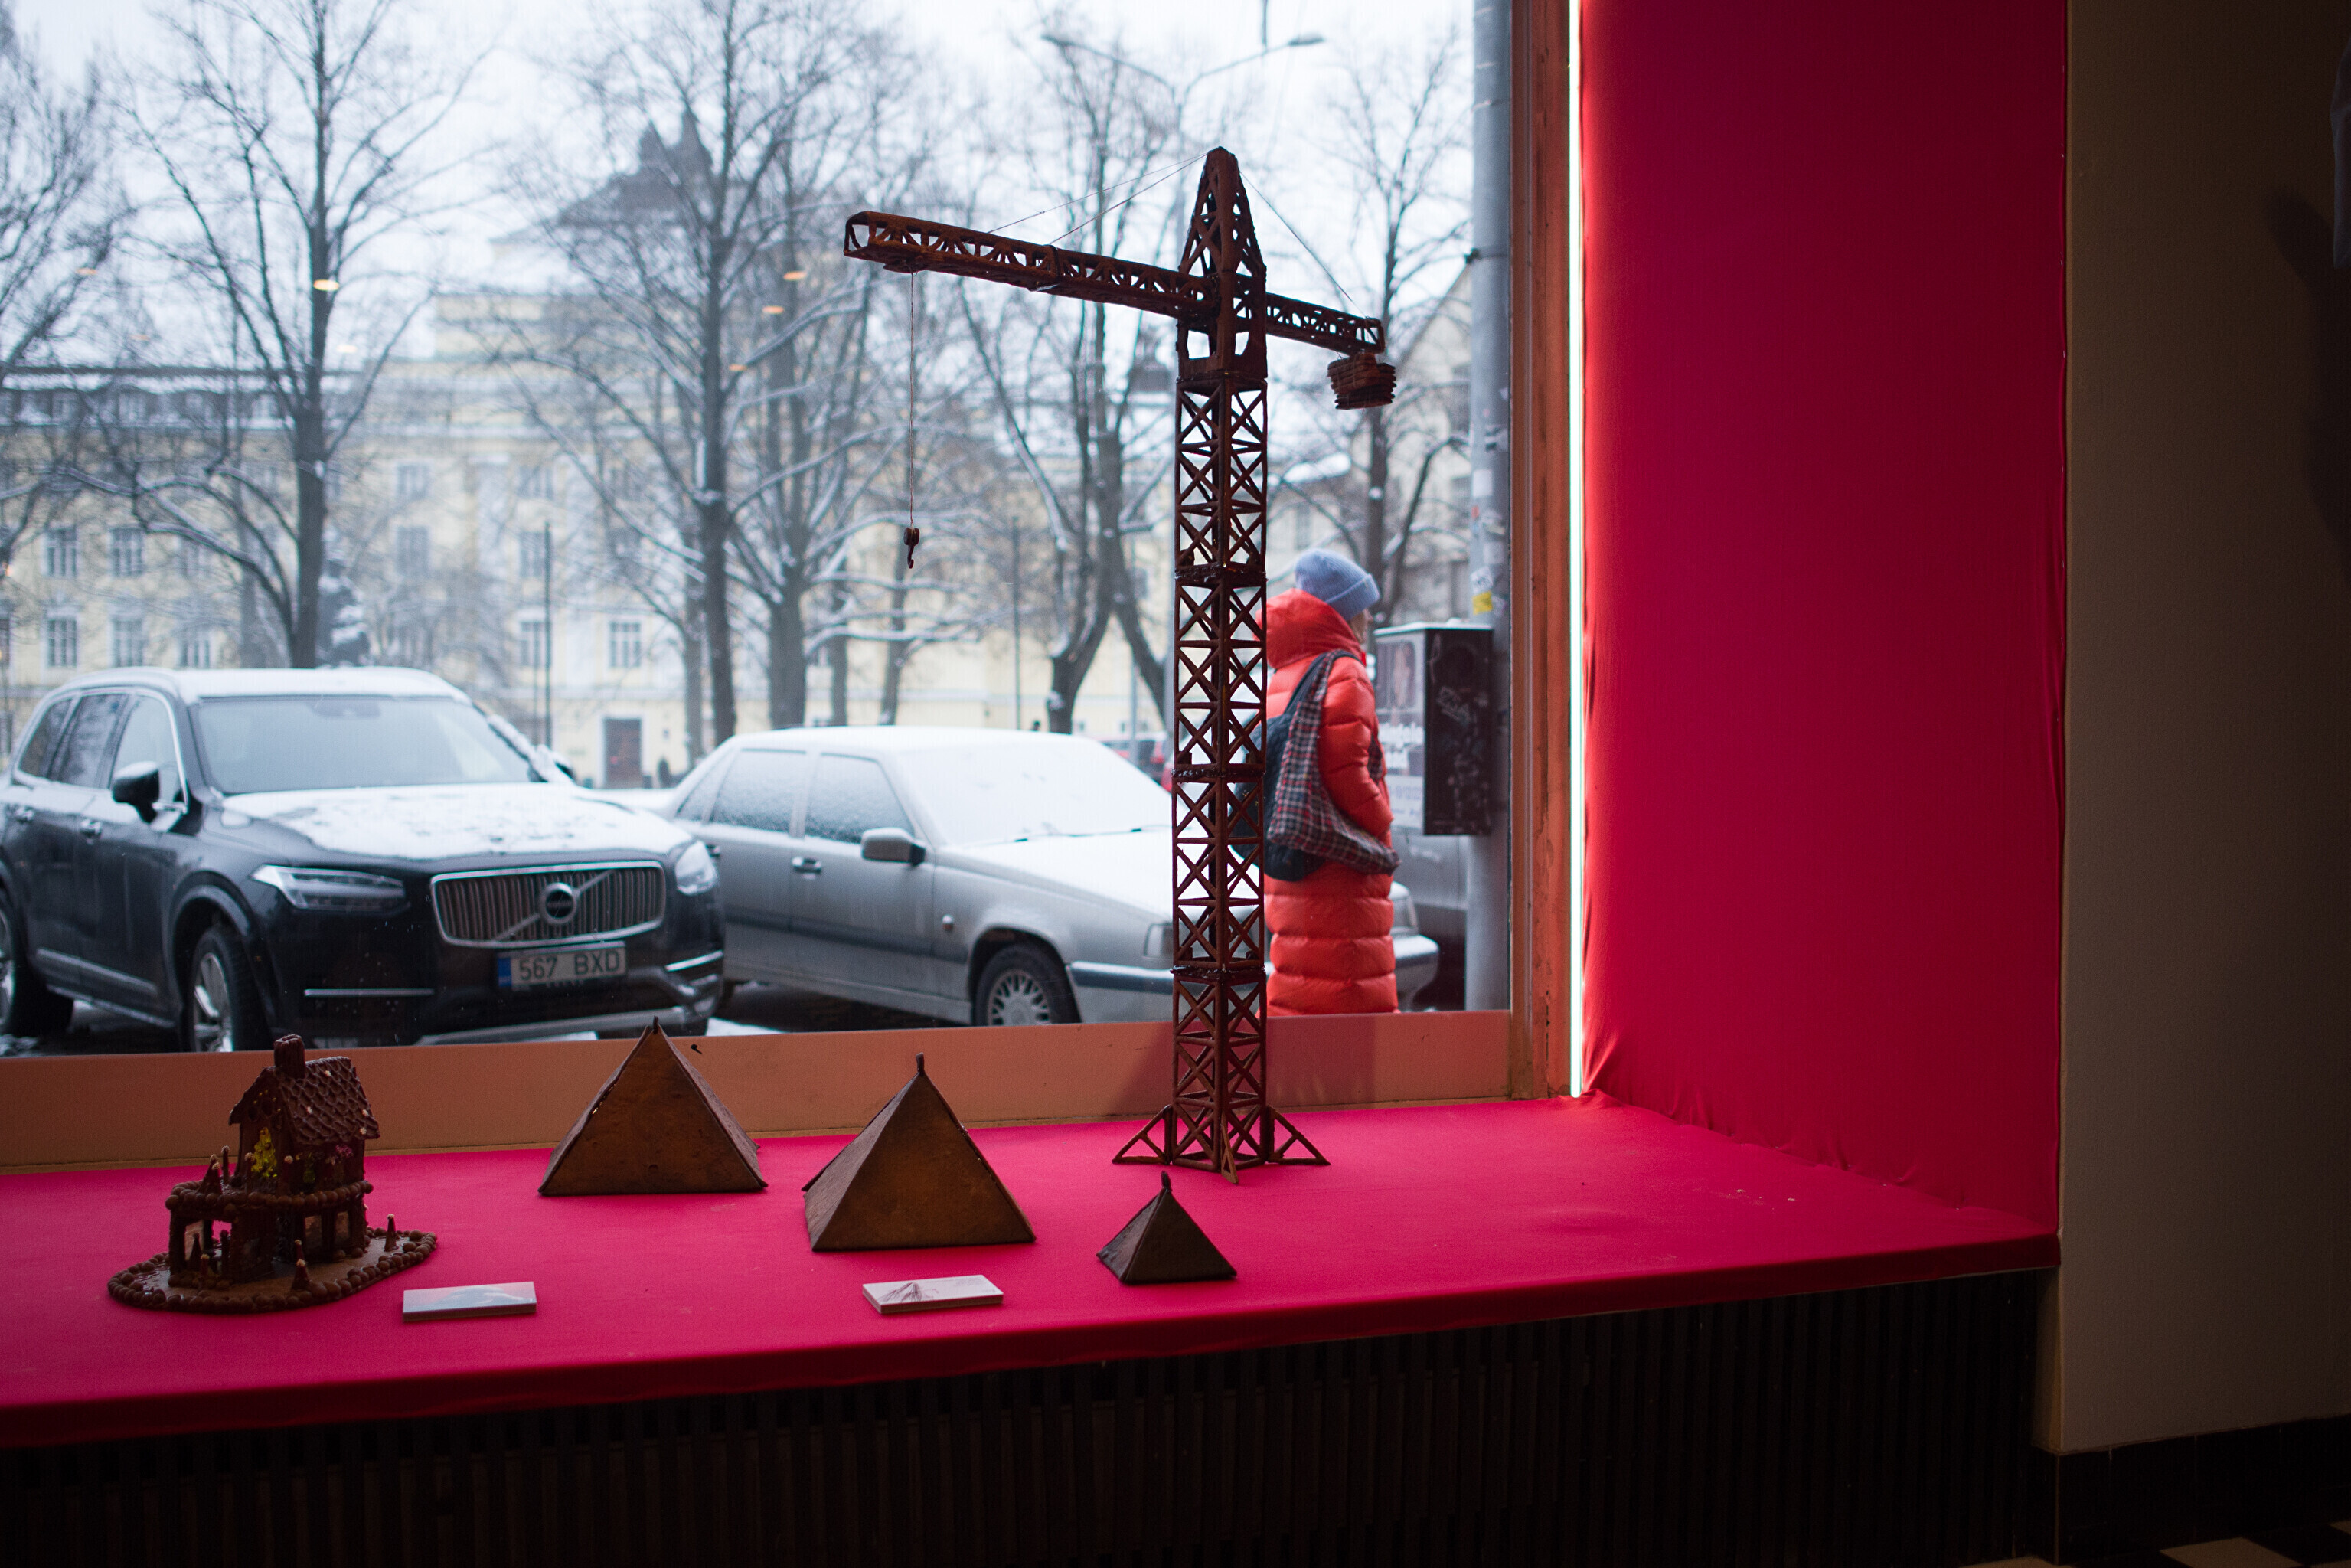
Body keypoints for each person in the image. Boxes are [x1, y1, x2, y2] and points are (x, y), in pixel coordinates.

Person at [1265, 548, 1396, 1015]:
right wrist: (1381, 826)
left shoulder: (1284, 673)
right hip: (1340, 864)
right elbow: (1346, 773)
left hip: (1294, 856)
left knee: (1301, 988)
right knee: (1348, 997)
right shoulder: (1345, 671)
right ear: (1342, 612)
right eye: (1362, 608)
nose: (1369, 618)